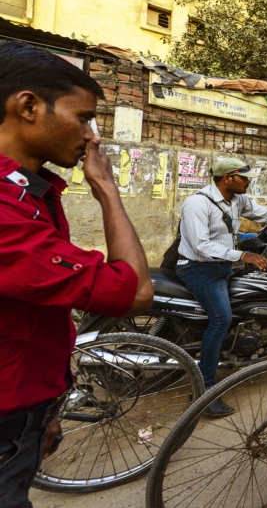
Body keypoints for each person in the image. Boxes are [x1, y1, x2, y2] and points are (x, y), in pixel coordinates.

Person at [0, 42, 154, 508]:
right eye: (83, 117)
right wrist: (107, 189)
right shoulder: (7, 212)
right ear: (28, 106)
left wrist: (46, 412)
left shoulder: (32, 192)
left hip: (25, 408)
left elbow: (37, 318)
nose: (92, 136)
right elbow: (136, 290)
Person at [176, 157, 267, 415]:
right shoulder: (197, 203)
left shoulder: (237, 200)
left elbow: (262, 213)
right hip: (198, 267)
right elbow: (201, 245)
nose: (248, 182)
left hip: (222, 265)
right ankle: (205, 391)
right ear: (227, 178)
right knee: (221, 318)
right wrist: (243, 256)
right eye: (244, 178)